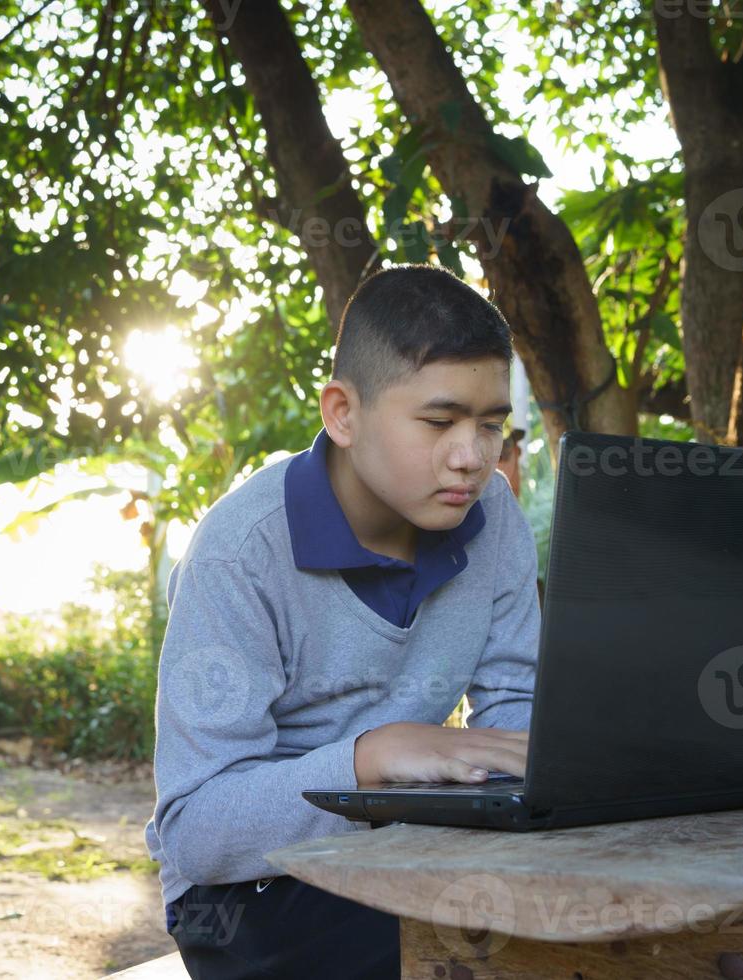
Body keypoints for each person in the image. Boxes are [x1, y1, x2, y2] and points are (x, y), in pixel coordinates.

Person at [145, 264, 540, 979]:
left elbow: (515, 719)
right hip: (250, 892)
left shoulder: (494, 518)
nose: (472, 457)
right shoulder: (239, 555)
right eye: (439, 420)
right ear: (343, 413)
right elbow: (197, 832)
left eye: (491, 426)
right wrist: (370, 761)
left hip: (410, 850)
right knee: (479, 955)